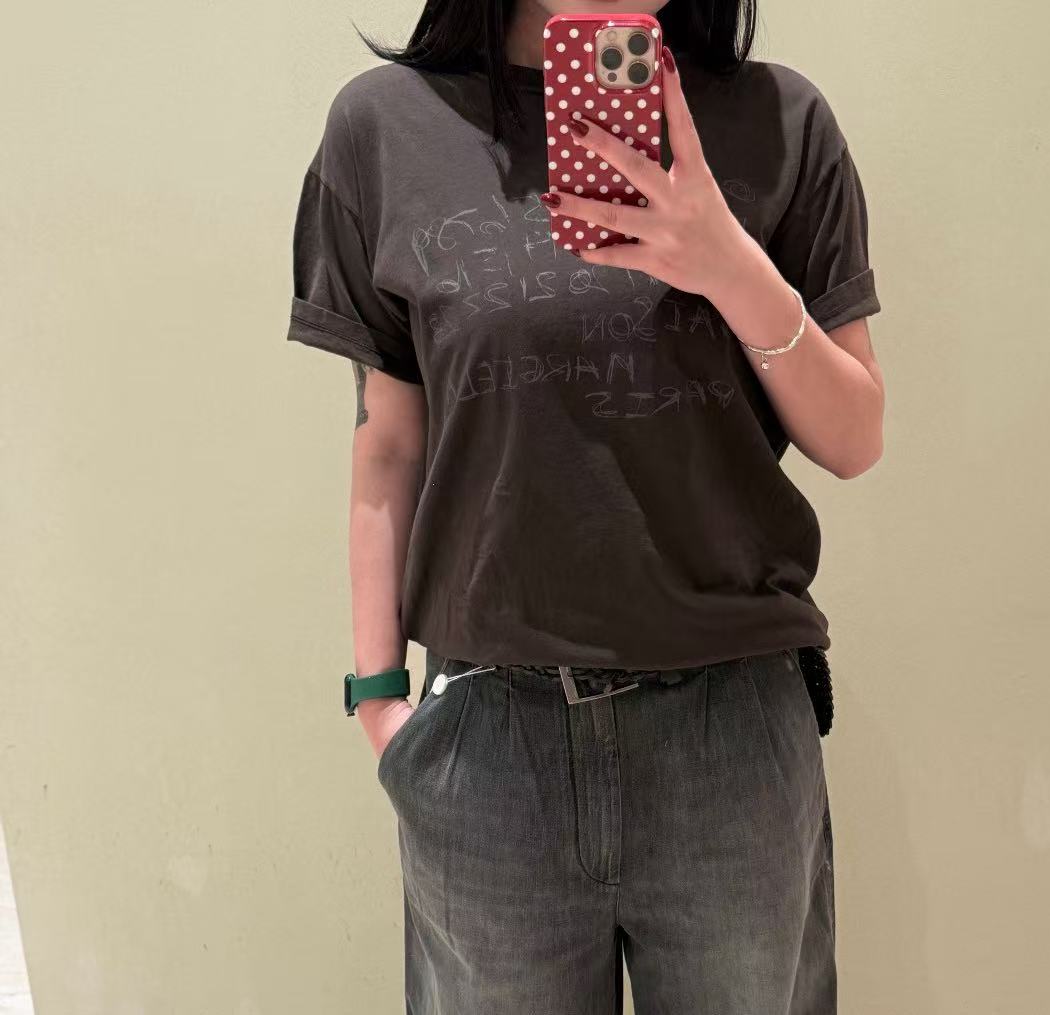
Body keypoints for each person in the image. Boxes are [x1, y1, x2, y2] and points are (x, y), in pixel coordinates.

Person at [286, 0, 884, 1009]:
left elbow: (854, 436)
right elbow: (388, 445)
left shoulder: (780, 121)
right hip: (491, 747)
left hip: (731, 739)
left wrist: (727, 264)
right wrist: (382, 703)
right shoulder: (386, 128)